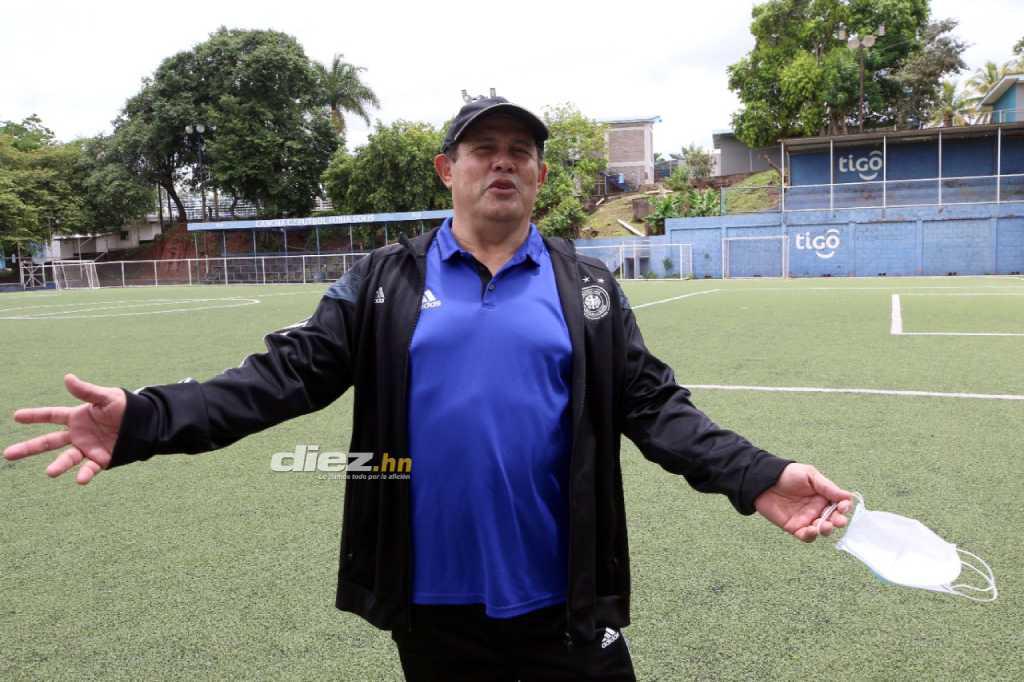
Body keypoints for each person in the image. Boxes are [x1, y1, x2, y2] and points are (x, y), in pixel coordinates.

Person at [4, 96, 852, 681]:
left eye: (521, 151)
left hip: (564, 593)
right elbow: (281, 377)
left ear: (541, 177)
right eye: (485, 150)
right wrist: (146, 419)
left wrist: (759, 477)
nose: (503, 164)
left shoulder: (586, 287)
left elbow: (655, 407)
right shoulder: (385, 281)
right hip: (432, 599)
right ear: (449, 169)